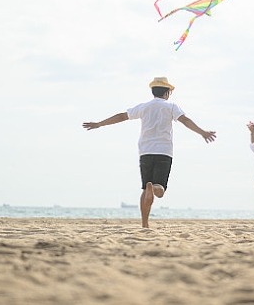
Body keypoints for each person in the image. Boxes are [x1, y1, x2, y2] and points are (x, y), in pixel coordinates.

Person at [83, 77, 216, 228]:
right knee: (160, 189)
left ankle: (145, 224)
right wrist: (203, 132)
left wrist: (99, 124)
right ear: (167, 92)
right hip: (164, 152)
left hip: (145, 152)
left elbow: (121, 116)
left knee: (145, 187)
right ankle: (154, 189)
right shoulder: (171, 106)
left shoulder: (144, 107)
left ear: (153, 91)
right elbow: (185, 120)